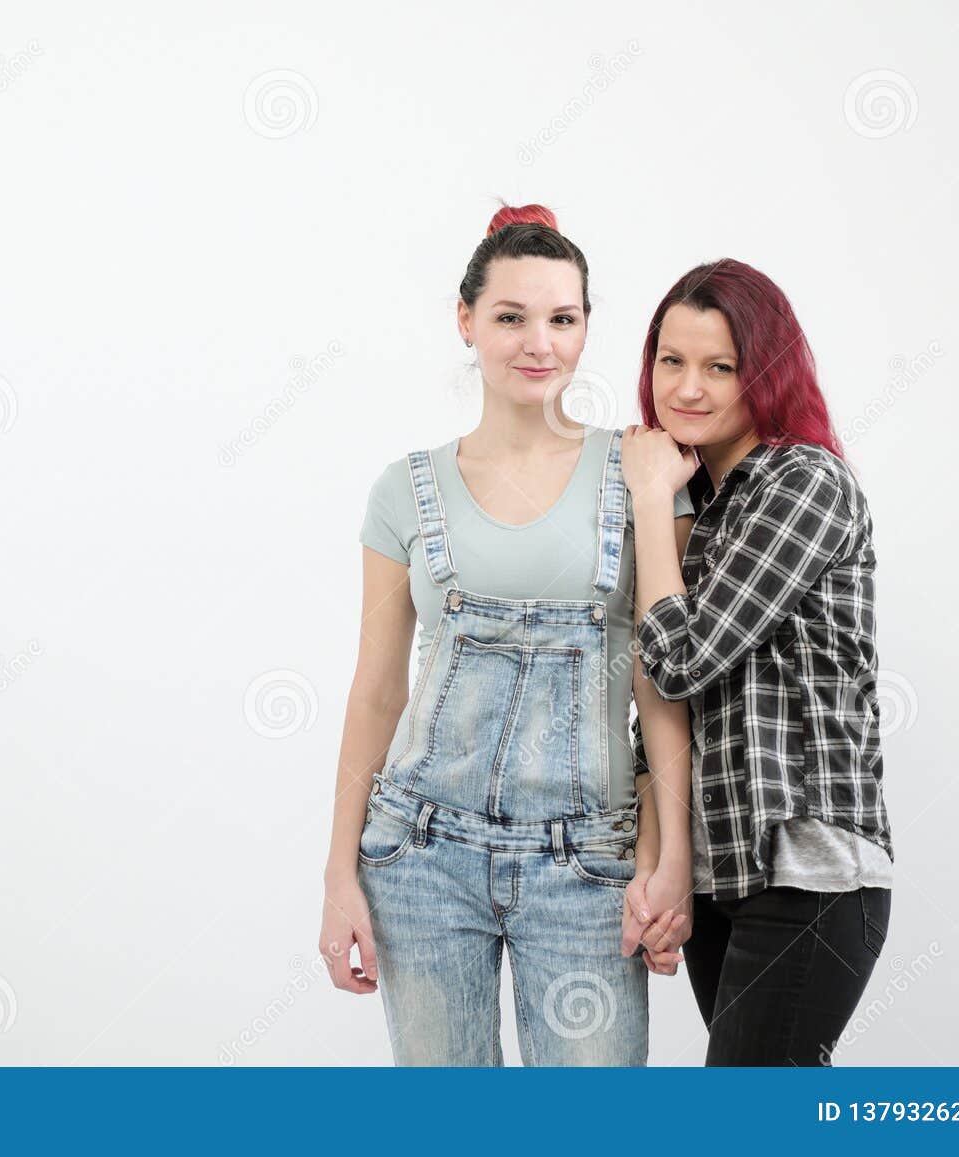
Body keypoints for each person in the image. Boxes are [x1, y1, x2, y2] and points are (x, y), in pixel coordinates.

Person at [319, 204, 695, 1065]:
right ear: (466, 322)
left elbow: (661, 681)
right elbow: (377, 689)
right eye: (511, 317)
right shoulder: (403, 491)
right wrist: (339, 872)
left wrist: (671, 853)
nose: (539, 343)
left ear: (587, 327)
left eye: (563, 319)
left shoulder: (640, 471)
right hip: (420, 857)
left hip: (587, 867)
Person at [621, 258, 896, 1066]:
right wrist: (661, 870)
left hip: (809, 874)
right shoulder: (698, 504)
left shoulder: (803, 482)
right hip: (722, 875)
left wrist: (644, 498)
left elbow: (680, 660)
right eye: (671, 361)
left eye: (720, 367)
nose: (689, 387)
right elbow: (655, 717)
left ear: (763, 375)